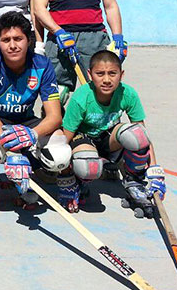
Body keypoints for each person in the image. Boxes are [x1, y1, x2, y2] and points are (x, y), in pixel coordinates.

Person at [0, 11, 70, 208]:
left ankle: (28, 170)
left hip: (24, 120)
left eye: (18, 39)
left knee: (60, 153)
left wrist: (33, 134)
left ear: (28, 40)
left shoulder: (42, 64)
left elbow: (55, 116)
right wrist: (13, 152)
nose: (13, 45)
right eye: (6, 40)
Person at [60, 50, 165, 217]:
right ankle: (80, 181)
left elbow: (144, 137)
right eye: (100, 74)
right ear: (90, 74)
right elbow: (64, 139)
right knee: (88, 166)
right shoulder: (81, 97)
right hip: (84, 140)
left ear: (121, 74)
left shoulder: (128, 93)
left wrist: (154, 170)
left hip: (108, 139)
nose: (107, 79)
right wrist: (65, 178)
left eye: (112, 73)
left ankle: (134, 183)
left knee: (137, 135)